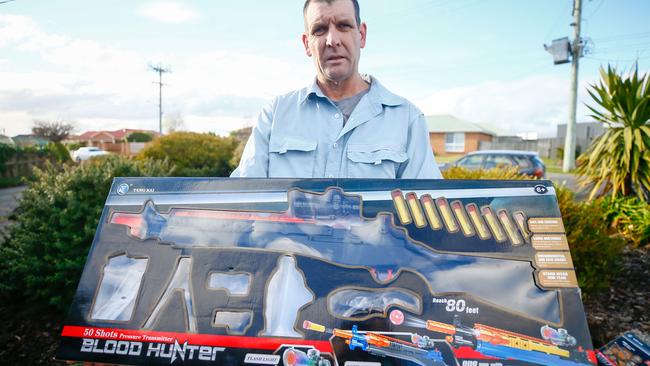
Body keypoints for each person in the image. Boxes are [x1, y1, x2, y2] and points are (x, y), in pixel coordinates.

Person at [231, 0, 442, 179]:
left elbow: (426, 209)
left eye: (343, 25)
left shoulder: (407, 119)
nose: (332, 40)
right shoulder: (275, 115)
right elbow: (242, 202)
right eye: (319, 29)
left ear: (362, 35)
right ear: (307, 43)